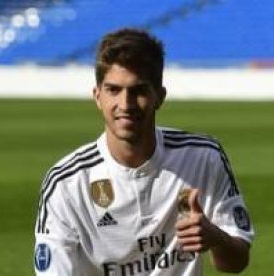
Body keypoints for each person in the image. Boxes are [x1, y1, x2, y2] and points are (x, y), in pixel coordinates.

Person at [34, 28, 254, 276]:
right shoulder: (66, 183)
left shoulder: (203, 157)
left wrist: (216, 238)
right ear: (98, 97)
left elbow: (235, 263)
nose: (125, 105)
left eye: (138, 91)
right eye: (113, 90)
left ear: (159, 97)